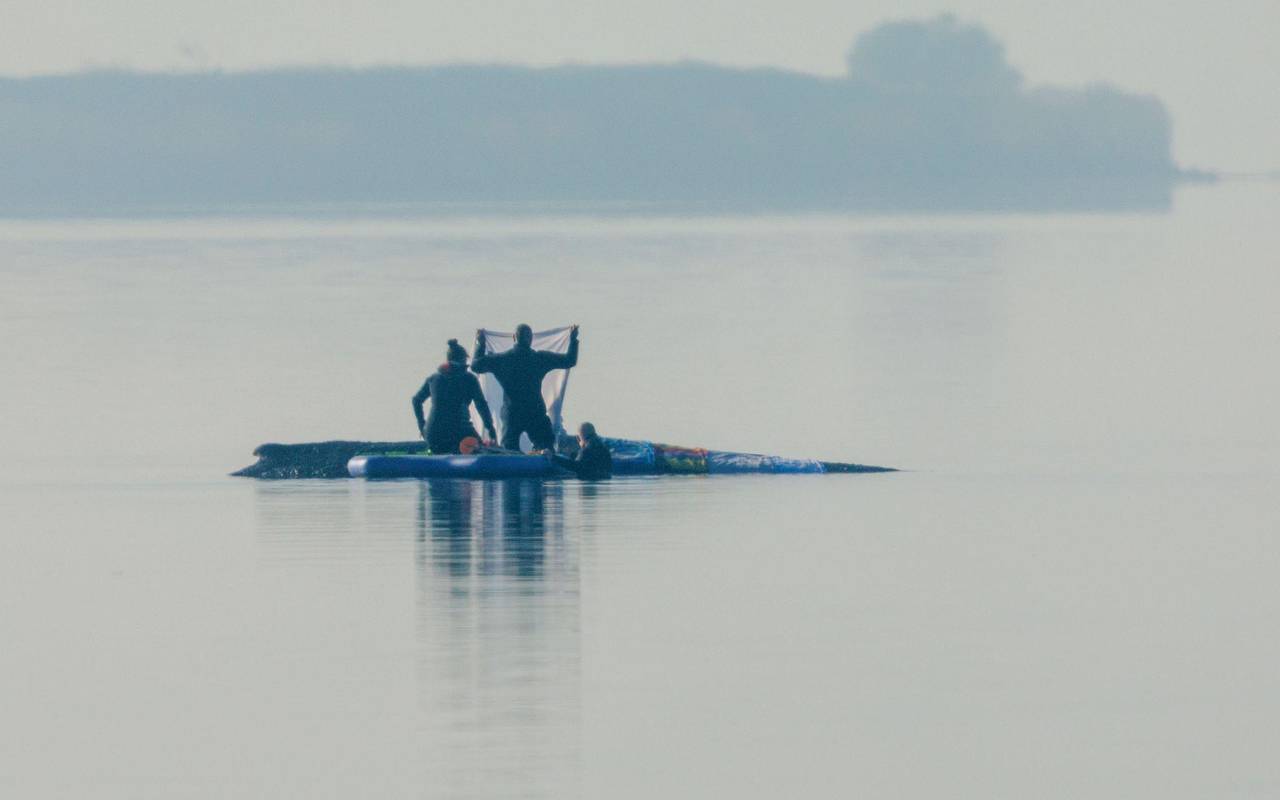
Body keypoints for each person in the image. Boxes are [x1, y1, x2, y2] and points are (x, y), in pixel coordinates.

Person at [471, 323, 579, 452]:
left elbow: (476, 366)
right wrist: (573, 339)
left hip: (512, 413)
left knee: (509, 451)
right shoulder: (539, 358)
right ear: (531, 339)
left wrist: (480, 343)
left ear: (514, 337)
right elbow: (570, 360)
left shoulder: (502, 359)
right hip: (535, 411)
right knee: (546, 449)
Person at [411, 339, 497, 454]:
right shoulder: (469, 379)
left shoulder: (434, 378)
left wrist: (422, 427)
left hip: (433, 436)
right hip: (458, 432)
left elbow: (416, 400)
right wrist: (491, 429)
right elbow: (481, 405)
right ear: (463, 359)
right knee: (482, 449)